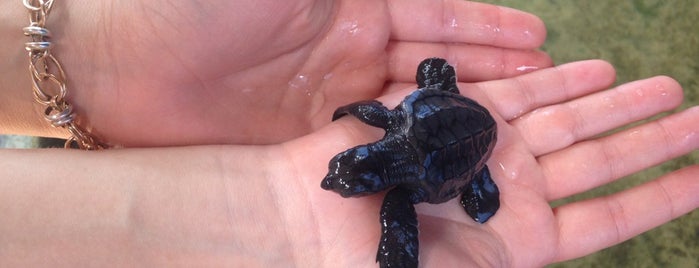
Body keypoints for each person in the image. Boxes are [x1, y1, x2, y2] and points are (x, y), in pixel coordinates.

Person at [0, 0, 696, 266]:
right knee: (445, 132)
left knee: (464, 175)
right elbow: (382, 122)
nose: (340, 177)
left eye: (347, 172)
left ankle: (479, 179)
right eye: (347, 173)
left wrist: (92, 50)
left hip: (448, 133)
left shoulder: (400, 178)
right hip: (440, 123)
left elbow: (393, 189)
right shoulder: (396, 136)